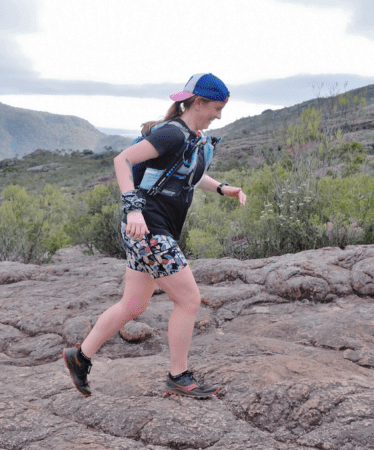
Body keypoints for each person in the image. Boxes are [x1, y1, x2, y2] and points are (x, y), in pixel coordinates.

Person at [63, 74, 246, 398]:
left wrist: (221, 188)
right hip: (148, 229)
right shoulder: (172, 133)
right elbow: (122, 160)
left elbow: (188, 175)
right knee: (189, 300)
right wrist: (132, 209)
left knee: (132, 305)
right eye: (216, 109)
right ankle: (179, 376)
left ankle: (80, 357)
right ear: (198, 103)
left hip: (150, 230)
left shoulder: (191, 137)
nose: (218, 116)